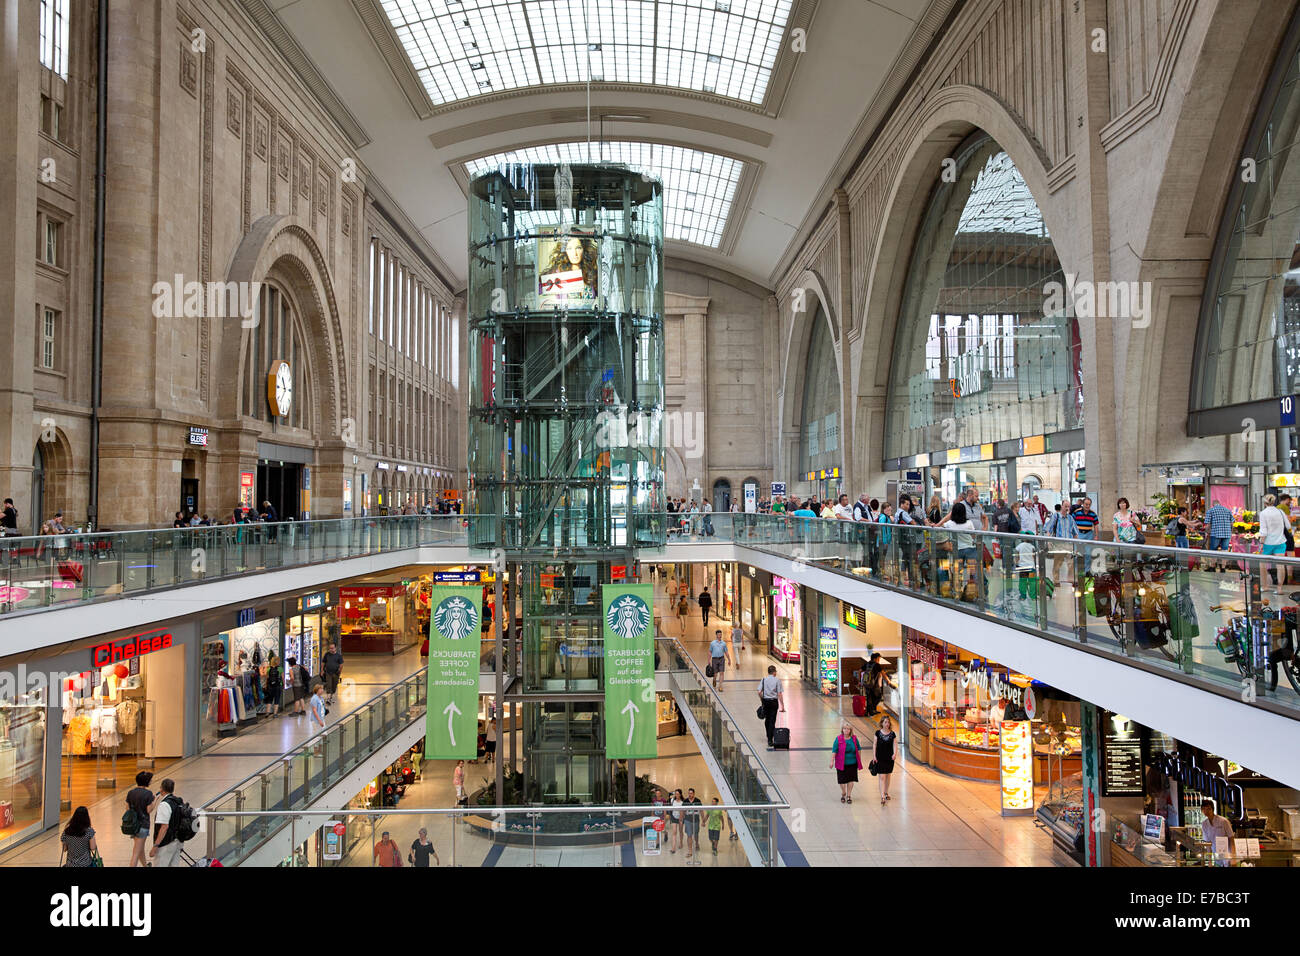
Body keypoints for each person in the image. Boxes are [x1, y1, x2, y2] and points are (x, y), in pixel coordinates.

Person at [149, 778, 185, 868]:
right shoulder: (178, 801)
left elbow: (164, 827)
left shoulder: (164, 804)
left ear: (161, 789)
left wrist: (155, 845)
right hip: (177, 841)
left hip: (166, 843)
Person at [125, 770, 156, 868]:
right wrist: (155, 801)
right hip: (143, 825)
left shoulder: (131, 793)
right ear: (146, 781)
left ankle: (145, 866)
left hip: (133, 825)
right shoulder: (148, 794)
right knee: (136, 853)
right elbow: (149, 810)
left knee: (140, 849)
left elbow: (127, 808)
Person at [1260, 494, 1288, 591]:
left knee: (1262, 564)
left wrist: (1261, 543)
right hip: (1280, 541)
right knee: (1280, 564)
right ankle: (1279, 588)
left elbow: (1263, 531)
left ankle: (1264, 586)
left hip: (1268, 543)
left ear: (1264, 503)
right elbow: (1288, 526)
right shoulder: (1280, 512)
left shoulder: (1263, 513)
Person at [830, 721, 863, 803]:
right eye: (844, 729)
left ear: (850, 730)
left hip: (852, 763)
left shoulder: (854, 739)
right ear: (842, 730)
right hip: (841, 764)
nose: (846, 730)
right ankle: (843, 792)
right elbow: (834, 750)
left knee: (851, 780)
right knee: (841, 780)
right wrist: (832, 761)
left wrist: (859, 760)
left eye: (848, 729)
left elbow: (858, 749)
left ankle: (848, 795)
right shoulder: (838, 739)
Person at [874, 714, 898, 805]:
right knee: (881, 776)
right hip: (880, 757)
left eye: (888, 722)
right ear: (882, 723)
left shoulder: (892, 734)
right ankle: (882, 796)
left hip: (889, 758)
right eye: (885, 722)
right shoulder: (877, 733)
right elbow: (874, 745)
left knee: (888, 776)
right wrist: (874, 756)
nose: (887, 724)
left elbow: (895, 745)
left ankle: (886, 791)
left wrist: (894, 754)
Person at [759, 665, 785, 748]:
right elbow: (779, 694)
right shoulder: (777, 680)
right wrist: (782, 705)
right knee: (772, 720)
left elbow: (759, 692)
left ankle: (768, 735)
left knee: (767, 719)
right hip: (774, 702)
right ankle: (770, 739)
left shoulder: (764, 680)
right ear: (774, 672)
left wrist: (762, 700)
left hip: (766, 701)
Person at [684, 787, 702, 859]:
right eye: (689, 793)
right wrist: (681, 819)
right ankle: (690, 851)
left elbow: (701, 810)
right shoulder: (685, 801)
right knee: (689, 835)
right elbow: (682, 811)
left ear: (694, 794)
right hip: (687, 820)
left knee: (696, 834)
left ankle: (697, 843)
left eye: (691, 793)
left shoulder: (698, 801)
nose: (689, 795)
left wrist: (703, 820)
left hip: (696, 820)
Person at [668, 789, 685, 855]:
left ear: (680, 794)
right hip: (674, 817)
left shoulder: (682, 802)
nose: (676, 795)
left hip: (680, 818)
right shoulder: (672, 800)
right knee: (674, 832)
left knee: (680, 831)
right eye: (675, 794)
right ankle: (673, 848)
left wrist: (681, 819)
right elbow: (670, 809)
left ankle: (681, 842)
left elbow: (683, 811)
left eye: (678, 794)